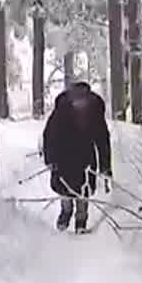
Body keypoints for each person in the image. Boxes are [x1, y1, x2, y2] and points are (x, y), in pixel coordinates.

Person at [41, 80, 112, 232]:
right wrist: (50, 159)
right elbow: (50, 135)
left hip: (85, 158)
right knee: (65, 190)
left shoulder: (94, 111)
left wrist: (105, 166)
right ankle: (66, 212)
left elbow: (102, 139)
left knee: (83, 191)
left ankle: (81, 220)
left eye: (83, 100)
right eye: (77, 100)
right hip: (63, 156)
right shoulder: (62, 110)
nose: (80, 104)